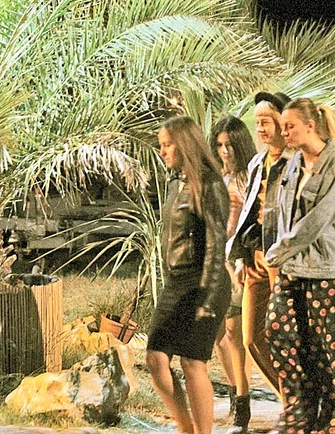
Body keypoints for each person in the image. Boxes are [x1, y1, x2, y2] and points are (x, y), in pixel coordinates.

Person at [265, 97, 335, 434]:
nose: (284, 132)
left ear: (310, 126)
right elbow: (282, 213)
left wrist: (280, 250)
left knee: (328, 345)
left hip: (324, 267)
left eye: (289, 126)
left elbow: (319, 218)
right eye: (282, 127)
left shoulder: (333, 164)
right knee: (279, 332)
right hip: (293, 265)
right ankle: (298, 411)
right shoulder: (292, 163)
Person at [147, 115, 231, 434]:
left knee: (193, 362)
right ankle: (186, 428)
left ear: (184, 145)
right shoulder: (175, 183)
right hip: (176, 283)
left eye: (167, 145)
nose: (163, 151)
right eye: (161, 145)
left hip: (204, 283)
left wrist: (208, 298)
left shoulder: (210, 184)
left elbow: (216, 244)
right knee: (156, 358)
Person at [227, 92, 292, 407]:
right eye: (258, 123)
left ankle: (297, 408)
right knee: (252, 337)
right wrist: (241, 256)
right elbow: (249, 212)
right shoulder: (257, 163)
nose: (261, 129)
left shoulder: (297, 162)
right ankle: (293, 400)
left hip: (285, 260)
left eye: (266, 122)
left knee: (286, 335)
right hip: (255, 258)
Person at [209, 116, 257, 434]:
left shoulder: (248, 177)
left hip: (236, 261)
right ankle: (234, 389)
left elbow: (250, 223)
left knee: (234, 334)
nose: (225, 151)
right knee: (217, 336)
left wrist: (242, 257)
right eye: (219, 145)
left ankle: (242, 402)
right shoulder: (215, 177)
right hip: (213, 261)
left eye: (230, 145)